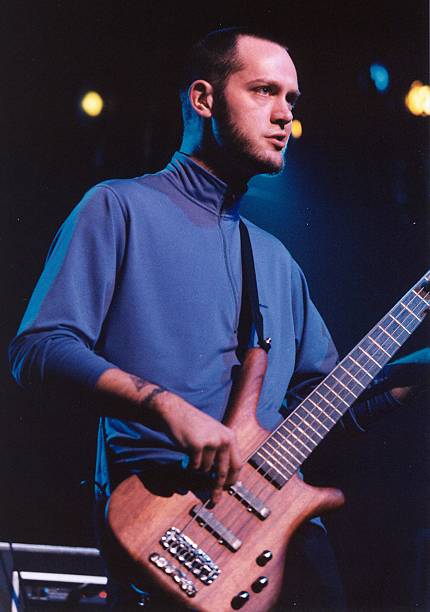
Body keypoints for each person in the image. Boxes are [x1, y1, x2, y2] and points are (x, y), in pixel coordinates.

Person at [9, 27, 427, 610]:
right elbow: (39, 347)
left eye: (292, 99)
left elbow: (324, 408)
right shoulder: (119, 207)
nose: (284, 114)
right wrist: (168, 407)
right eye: (264, 91)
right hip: (166, 522)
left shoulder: (277, 262)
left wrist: (411, 376)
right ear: (204, 99)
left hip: (278, 545)